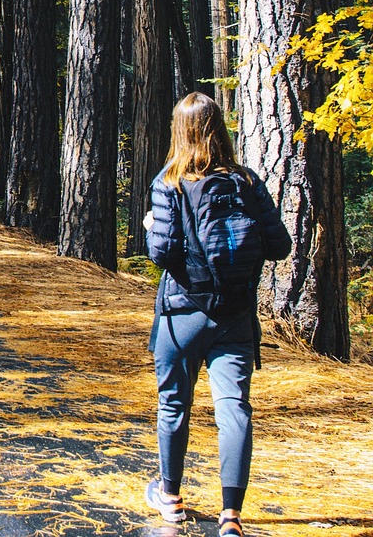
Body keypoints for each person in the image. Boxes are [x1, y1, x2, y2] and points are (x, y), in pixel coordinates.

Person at [142, 92, 291, 537]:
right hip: (236, 317)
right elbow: (281, 246)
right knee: (234, 409)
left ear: (179, 130)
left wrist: (152, 227)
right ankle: (231, 516)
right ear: (219, 128)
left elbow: (162, 253)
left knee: (174, 404)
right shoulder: (247, 181)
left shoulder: (169, 181)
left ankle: (170, 498)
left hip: (182, 315)